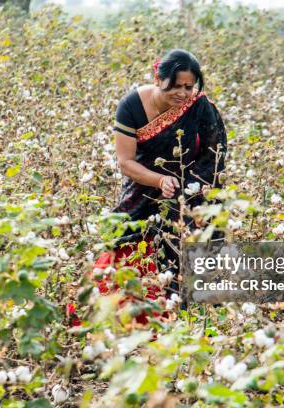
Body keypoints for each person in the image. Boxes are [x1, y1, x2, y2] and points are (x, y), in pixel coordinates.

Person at [90, 49, 228, 325]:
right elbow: (126, 162)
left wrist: (186, 191)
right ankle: (124, 325)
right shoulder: (131, 106)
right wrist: (160, 180)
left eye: (189, 87)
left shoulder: (200, 107)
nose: (183, 93)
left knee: (188, 253)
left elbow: (215, 156)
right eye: (175, 86)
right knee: (127, 248)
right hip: (142, 189)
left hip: (191, 192)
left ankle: (184, 324)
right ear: (158, 78)